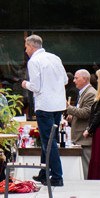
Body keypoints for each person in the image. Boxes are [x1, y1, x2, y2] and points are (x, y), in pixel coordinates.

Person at [20, 34, 67, 187]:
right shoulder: (55, 58)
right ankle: (44, 172)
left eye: (26, 47)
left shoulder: (34, 61)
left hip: (45, 105)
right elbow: (65, 80)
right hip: (58, 104)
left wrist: (25, 84)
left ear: (31, 46)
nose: (26, 50)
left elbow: (36, 86)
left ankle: (57, 175)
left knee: (48, 141)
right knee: (48, 139)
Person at [64, 69, 96, 177]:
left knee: (86, 168)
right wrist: (73, 118)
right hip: (80, 138)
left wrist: (69, 108)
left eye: (76, 78)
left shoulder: (90, 93)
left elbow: (86, 113)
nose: (74, 81)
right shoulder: (84, 93)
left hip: (85, 139)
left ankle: (88, 188)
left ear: (84, 79)